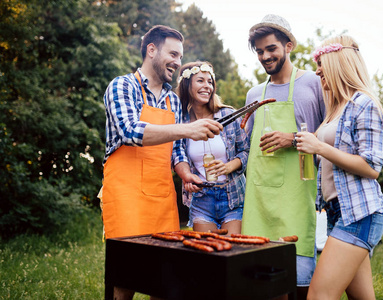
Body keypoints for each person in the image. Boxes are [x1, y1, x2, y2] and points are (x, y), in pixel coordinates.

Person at [101, 25, 222, 300]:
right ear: (151, 50)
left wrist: (186, 173)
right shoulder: (123, 86)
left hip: (161, 194)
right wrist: (188, 129)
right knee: (126, 273)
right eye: (173, 54)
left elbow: (176, 150)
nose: (178, 62)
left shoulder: (172, 100)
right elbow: (131, 131)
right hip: (126, 194)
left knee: (166, 275)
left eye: (180, 56)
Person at [297, 35, 383, 300]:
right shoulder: (335, 109)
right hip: (338, 212)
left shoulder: (364, 104)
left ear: (338, 64)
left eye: (321, 64)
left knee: (318, 295)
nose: (317, 71)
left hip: (359, 213)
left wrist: (320, 148)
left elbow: (371, 168)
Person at [241, 14, 326, 299]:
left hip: (297, 197)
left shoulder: (313, 84)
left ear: (289, 46)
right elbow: (245, 148)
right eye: (260, 51)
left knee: (299, 282)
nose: (265, 56)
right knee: (262, 284)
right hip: (259, 202)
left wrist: (291, 139)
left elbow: (328, 137)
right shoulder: (254, 94)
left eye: (271, 49)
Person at [173, 61, 249, 234]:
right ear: (187, 85)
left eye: (210, 81)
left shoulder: (227, 115)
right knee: (208, 257)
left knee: (232, 252)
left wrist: (228, 166)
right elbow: (177, 154)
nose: (207, 86)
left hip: (233, 197)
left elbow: (246, 150)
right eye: (200, 81)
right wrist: (188, 178)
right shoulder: (181, 122)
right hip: (202, 200)